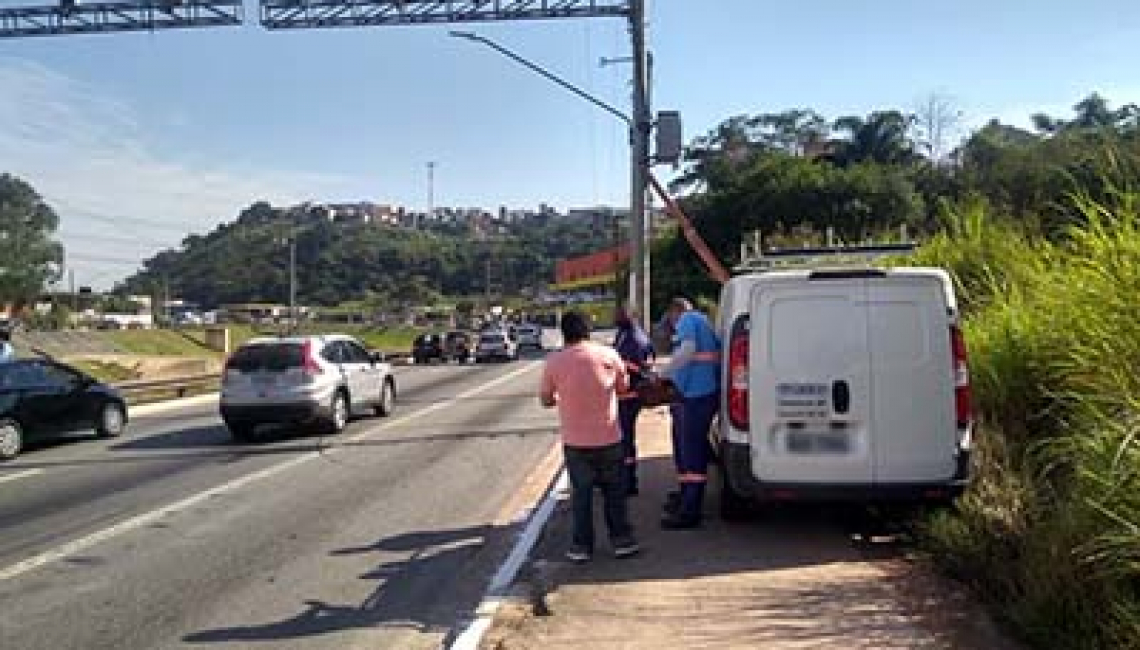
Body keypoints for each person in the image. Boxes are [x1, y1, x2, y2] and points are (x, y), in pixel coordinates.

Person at [540, 311, 640, 563]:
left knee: (582, 496)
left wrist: (558, 397)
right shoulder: (609, 355)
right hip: (609, 436)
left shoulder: (555, 361)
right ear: (588, 330)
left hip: (576, 441)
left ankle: (581, 546)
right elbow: (623, 387)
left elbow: (545, 399)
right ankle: (622, 541)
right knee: (614, 493)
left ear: (564, 333)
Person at [659, 297, 722, 530]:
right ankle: (686, 497)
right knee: (690, 448)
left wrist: (663, 374)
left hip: (696, 394)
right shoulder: (703, 322)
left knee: (691, 451)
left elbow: (687, 351)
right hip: (702, 392)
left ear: (676, 312)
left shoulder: (687, 319)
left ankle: (690, 510)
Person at [613, 306, 655, 496]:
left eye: (620, 315)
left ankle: (628, 481)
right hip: (626, 393)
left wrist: (620, 363)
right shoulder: (625, 334)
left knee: (625, 438)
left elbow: (642, 368)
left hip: (630, 395)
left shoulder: (634, 338)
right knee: (624, 437)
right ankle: (625, 478)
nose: (616, 317)